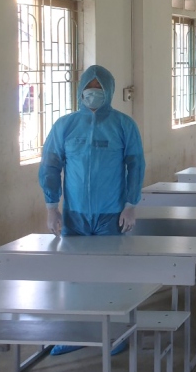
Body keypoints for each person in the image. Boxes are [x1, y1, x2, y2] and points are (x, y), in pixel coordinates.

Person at [38, 64, 146, 356]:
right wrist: (52, 207)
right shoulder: (65, 125)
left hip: (111, 214)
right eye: (89, 88)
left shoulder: (124, 125)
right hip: (75, 214)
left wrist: (131, 205)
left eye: (99, 89)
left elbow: (136, 165)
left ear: (109, 91)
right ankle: (76, 333)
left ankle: (116, 334)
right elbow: (50, 165)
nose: (93, 94)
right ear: (80, 90)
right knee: (75, 275)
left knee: (111, 274)